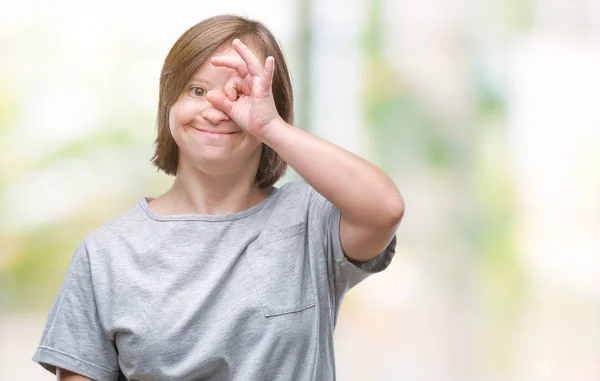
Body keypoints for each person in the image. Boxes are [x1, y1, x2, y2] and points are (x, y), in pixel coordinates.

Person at [32, 14, 404, 381]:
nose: (217, 108)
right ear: (169, 105)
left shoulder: (311, 222)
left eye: (240, 92)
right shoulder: (106, 254)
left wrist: (269, 126)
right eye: (197, 90)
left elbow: (385, 209)